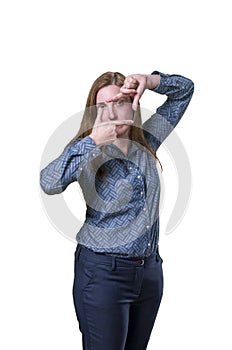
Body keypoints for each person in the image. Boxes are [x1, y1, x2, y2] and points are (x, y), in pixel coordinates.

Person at [40, 69, 194, 349]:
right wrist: (93, 142)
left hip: (149, 274)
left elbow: (184, 90)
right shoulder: (86, 151)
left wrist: (149, 81)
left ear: (133, 105)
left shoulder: (147, 140)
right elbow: (48, 182)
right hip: (103, 275)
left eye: (119, 103)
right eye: (102, 106)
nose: (111, 113)